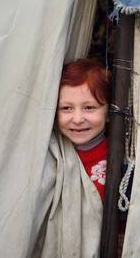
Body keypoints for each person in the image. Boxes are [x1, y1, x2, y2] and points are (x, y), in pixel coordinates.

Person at [56, 58, 111, 200]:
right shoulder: (51, 156)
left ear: (109, 112)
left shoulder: (118, 160)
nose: (78, 119)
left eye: (89, 108)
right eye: (66, 108)